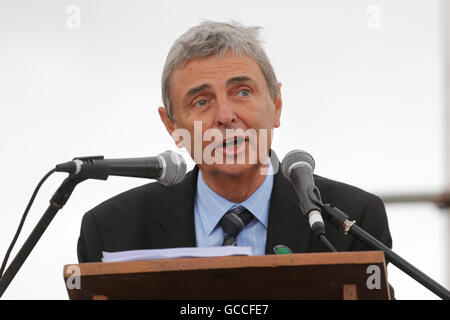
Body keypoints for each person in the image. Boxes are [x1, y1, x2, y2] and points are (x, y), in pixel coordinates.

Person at [77, 20, 393, 296]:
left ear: (277, 105)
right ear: (171, 125)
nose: (226, 116)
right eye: (201, 102)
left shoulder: (353, 220)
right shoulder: (113, 230)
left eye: (242, 92)